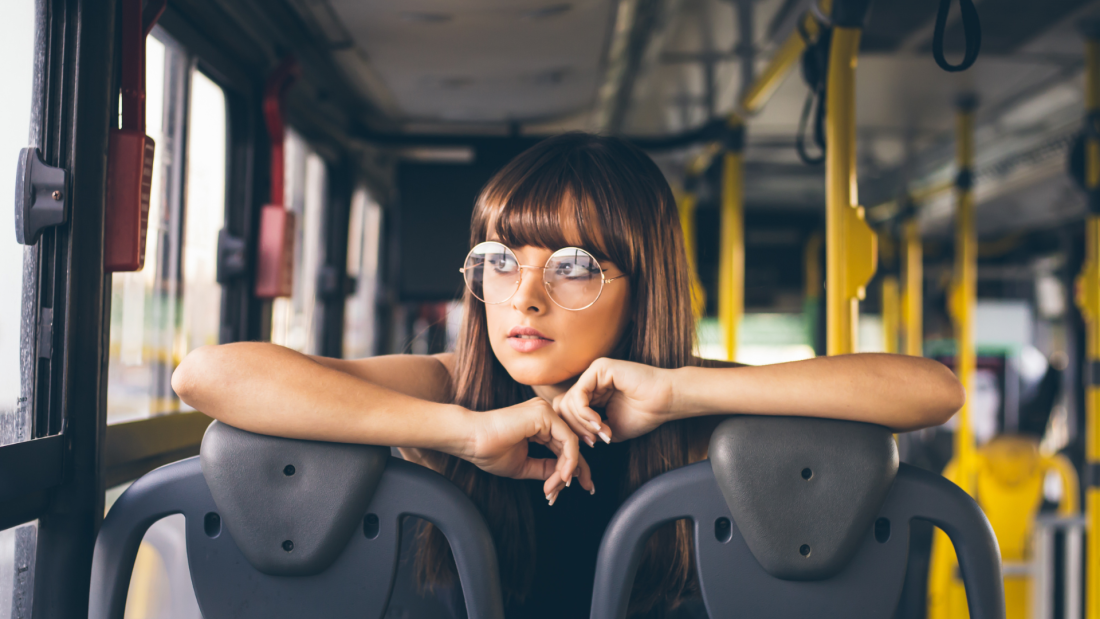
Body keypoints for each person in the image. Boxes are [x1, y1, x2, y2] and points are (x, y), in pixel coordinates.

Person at [171, 132, 965, 618]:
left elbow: (931, 389)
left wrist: (685, 390)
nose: (525, 294)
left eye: (575, 265)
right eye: (499, 261)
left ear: (643, 286)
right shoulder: (453, 385)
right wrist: (467, 431)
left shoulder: (675, 395)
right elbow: (208, 375)